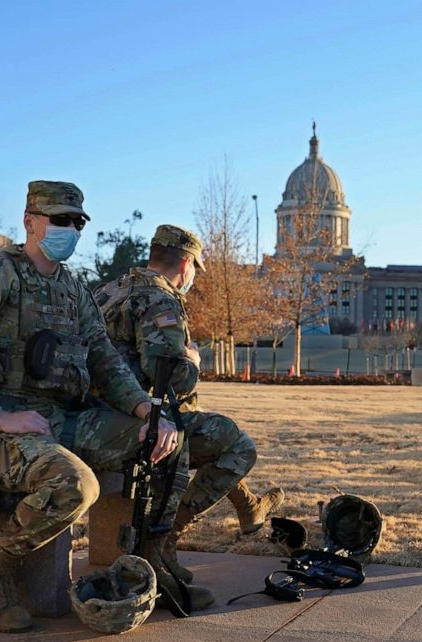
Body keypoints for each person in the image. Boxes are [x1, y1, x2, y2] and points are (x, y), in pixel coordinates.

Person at [0, 182, 212, 632]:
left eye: (76, 222)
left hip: (65, 420)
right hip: (1, 428)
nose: (69, 229)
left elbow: (104, 359)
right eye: (59, 220)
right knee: (77, 486)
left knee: (168, 442)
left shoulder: (73, 289)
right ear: (30, 222)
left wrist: (142, 411)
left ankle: (150, 563)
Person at [94, 224, 285, 582]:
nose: (194, 276)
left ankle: (249, 508)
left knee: (202, 427)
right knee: (238, 445)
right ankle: (164, 537)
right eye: (196, 268)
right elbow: (170, 376)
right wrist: (193, 362)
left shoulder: (109, 290)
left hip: (98, 420)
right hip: (137, 426)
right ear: (185, 263)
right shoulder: (160, 299)